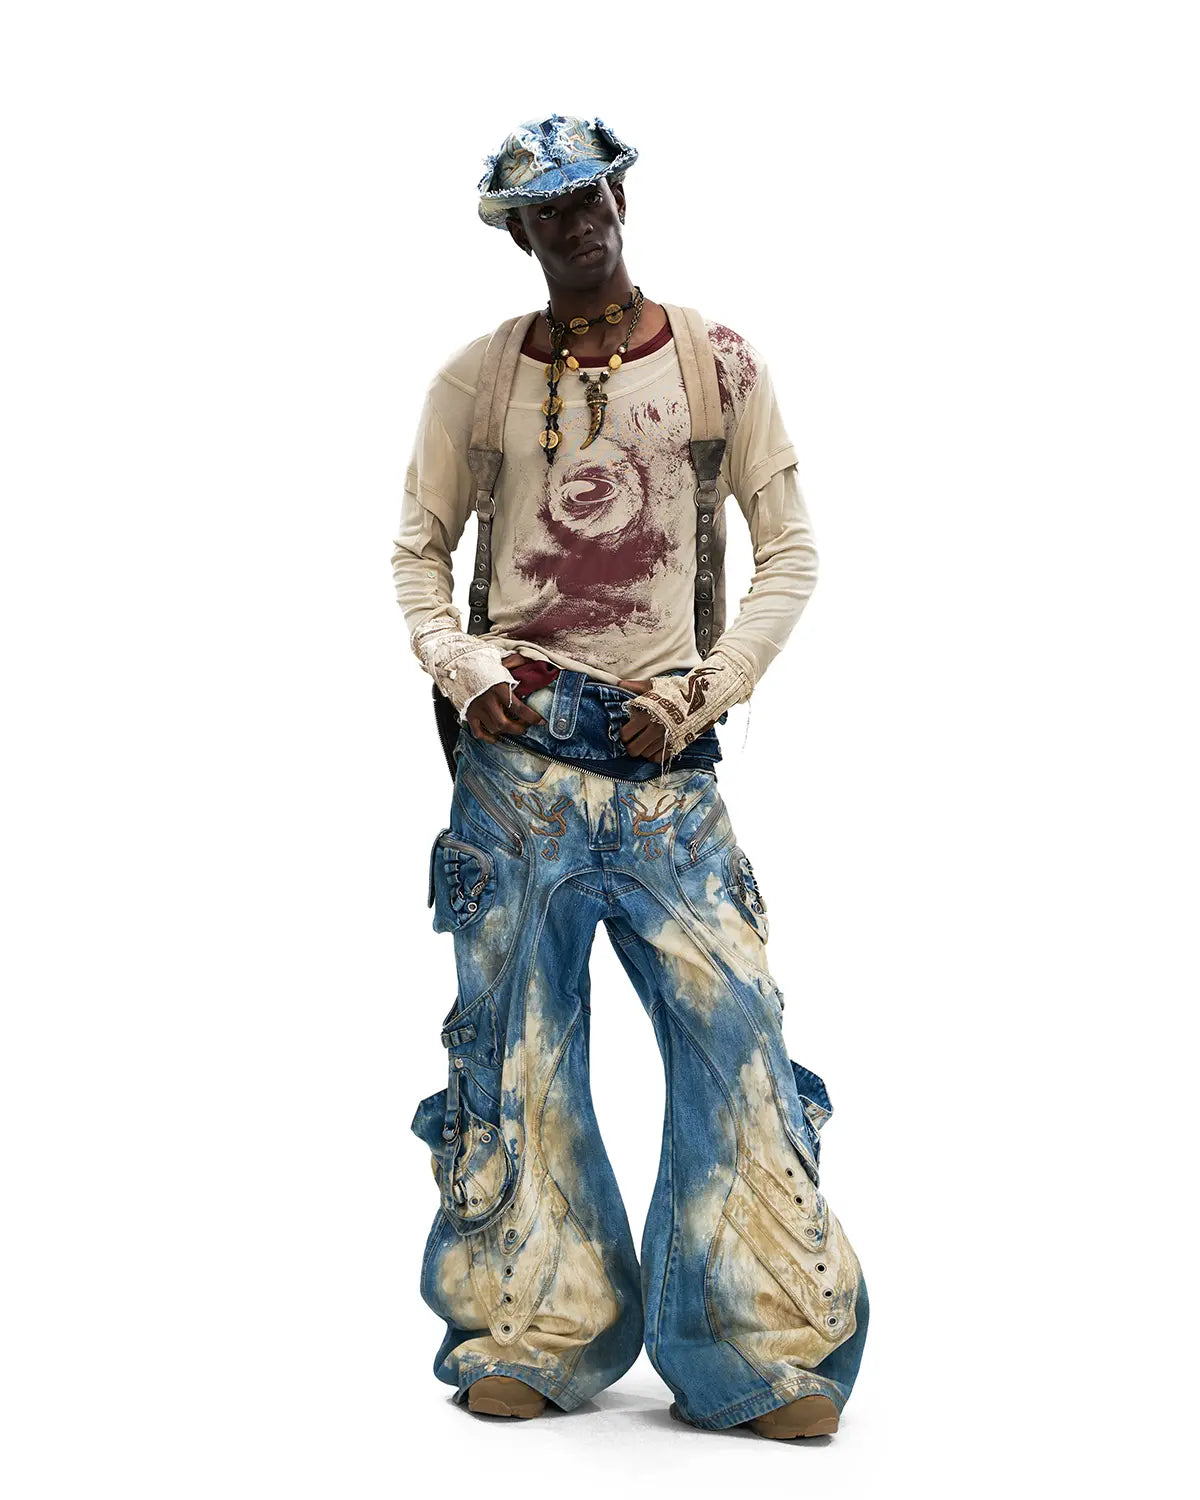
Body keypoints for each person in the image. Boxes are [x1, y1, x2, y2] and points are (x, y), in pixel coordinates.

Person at [391, 113, 869, 1439]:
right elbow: (419, 550)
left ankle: (760, 1344)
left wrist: (709, 688)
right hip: (515, 772)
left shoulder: (717, 364)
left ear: (621, 201)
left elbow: (791, 550)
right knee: (513, 1052)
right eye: (549, 209)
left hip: (669, 774)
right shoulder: (478, 379)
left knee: (738, 1038)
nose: (577, 223)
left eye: (591, 197)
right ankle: (530, 1326)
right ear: (521, 234)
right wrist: (461, 666)